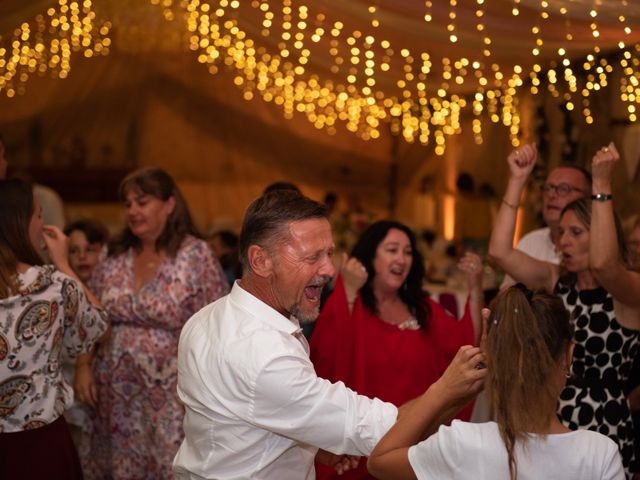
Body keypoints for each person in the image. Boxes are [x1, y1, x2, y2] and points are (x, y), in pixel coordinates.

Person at [173, 191, 485, 479]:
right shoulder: (266, 356)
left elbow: (234, 422)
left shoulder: (204, 319)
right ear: (261, 260)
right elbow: (383, 430)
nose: (330, 269)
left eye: (329, 254)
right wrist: (447, 389)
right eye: (313, 257)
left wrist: (305, 444)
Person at [488, 143, 639, 478]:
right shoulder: (557, 279)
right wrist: (517, 180)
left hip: (605, 424)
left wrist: (601, 185)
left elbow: (603, 264)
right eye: (561, 234)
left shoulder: (628, 290)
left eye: (576, 232)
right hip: (550, 418)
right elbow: (499, 252)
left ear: (600, 232)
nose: (562, 242)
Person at [368, 286, 624, 480]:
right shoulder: (600, 454)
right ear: (568, 355)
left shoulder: (463, 443)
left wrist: (444, 388)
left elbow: (380, 460)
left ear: (495, 359)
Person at [80, 167, 228, 479]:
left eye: (142, 202)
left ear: (170, 203)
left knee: (168, 465)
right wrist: (82, 365)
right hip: (114, 394)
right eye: (128, 204)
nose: (132, 210)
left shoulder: (195, 255)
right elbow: (89, 315)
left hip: (172, 396)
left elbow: (219, 327)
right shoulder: (114, 254)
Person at [310, 220, 483, 479]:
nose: (401, 258)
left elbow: (463, 344)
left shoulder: (421, 308)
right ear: (371, 256)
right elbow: (327, 357)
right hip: (363, 446)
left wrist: (475, 286)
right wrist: (348, 289)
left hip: (415, 442)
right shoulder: (352, 303)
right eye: (392, 250)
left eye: (408, 252)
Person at [0, 178, 109, 479]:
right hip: (39, 443)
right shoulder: (53, 285)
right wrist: (64, 262)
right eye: (37, 215)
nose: (41, 222)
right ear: (21, 223)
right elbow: (96, 326)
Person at [501, 161, 591, 287]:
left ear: (587, 198)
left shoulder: (603, 260)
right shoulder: (530, 241)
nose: (551, 195)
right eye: (548, 188)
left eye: (564, 189)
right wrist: (517, 179)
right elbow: (506, 296)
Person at [60, 219, 110, 443]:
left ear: (103, 252)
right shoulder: (60, 292)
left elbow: (102, 330)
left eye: (90, 249)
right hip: (68, 387)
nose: (82, 256)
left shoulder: (111, 290)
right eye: (74, 250)